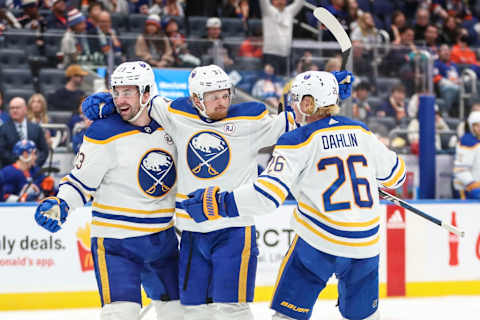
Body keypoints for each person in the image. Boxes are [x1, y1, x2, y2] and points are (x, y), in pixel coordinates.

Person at [81, 64, 354, 320]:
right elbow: (135, 100)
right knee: (195, 309)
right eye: (213, 97)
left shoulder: (252, 120)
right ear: (196, 99)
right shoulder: (175, 114)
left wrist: (325, 96)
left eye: (225, 95)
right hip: (191, 232)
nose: (222, 102)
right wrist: (107, 103)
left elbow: (303, 120)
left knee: (233, 307)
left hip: (235, 230)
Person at [181, 70, 406, 320]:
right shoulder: (362, 132)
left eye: (296, 100)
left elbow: (266, 197)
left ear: (308, 103)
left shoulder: (296, 140)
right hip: (365, 246)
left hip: (318, 244)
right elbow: (397, 176)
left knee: (288, 316)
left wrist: (219, 204)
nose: (291, 107)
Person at [34, 61, 182, 320]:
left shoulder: (171, 124)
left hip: (162, 240)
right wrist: (61, 204)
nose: (119, 99)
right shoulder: (103, 132)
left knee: (178, 311)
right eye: (116, 92)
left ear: (147, 93)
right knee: (121, 313)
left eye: (128, 92)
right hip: (117, 241)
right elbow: (80, 182)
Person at [0, 97, 49, 168]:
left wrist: (34, 163)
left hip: (33, 168)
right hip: (11, 169)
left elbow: (44, 151)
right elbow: (2, 151)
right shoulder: (3, 129)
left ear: (25, 109)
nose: (14, 110)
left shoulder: (36, 128)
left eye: (17, 108)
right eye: (12, 108)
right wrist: (18, 164)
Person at [260, 0, 303, 75]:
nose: (280, 1)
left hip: (286, 55)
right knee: (271, 83)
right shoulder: (268, 10)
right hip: (270, 55)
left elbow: (300, 2)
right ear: (272, 1)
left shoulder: (289, 12)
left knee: (285, 82)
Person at [453, 110, 480, 199]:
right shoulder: (467, 141)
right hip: (467, 189)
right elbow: (460, 170)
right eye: (476, 125)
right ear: (471, 126)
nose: (479, 128)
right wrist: (472, 185)